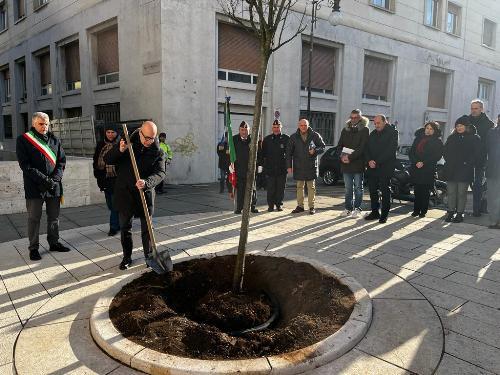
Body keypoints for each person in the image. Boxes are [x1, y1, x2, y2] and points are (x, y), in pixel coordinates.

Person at [105, 121, 166, 270]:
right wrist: (119, 150)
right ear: (140, 133)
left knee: (147, 230)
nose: (148, 141)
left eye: (152, 138)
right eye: (146, 138)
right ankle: (127, 257)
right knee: (125, 228)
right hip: (125, 194)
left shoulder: (158, 151)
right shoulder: (127, 143)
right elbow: (108, 159)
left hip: (145, 194)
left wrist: (147, 182)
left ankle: (149, 257)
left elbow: (160, 173)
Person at [16, 112, 70, 261]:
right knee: (34, 219)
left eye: (46, 124)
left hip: (54, 187)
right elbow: (25, 166)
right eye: (41, 124)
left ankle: (54, 242)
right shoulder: (23, 140)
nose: (45, 126)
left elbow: (61, 162)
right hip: (35, 188)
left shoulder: (54, 139)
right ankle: (33, 248)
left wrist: (55, 179)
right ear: (34, 124)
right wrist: (45, 181)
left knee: (54, 217)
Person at [442, 116, 480, 223]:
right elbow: (445, 151)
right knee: (451, 192)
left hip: (465, 169)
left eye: (461, 126)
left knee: (462, 193)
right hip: (451, 169)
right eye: (457, 126)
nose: (459, 128)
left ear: (466, 126)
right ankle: (450, 212)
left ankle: (459, 213)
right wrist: (449, 161)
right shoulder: (452, 137)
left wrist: (468, 162)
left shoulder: (474, 138)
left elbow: (477, 154)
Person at [286, 118, 325, 215]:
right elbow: (288, 153)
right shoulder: (293, 137)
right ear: (299, 126)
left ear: (308, 126)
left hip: (311, 165)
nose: (303, 127)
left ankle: (311, 207)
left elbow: (322, 147)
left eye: (305, 125)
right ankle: (300, 206)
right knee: (299, 186)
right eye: (301, 125)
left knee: (311, 187)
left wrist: (315, 151)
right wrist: (289, 166)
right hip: (298, 166)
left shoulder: (315, 135)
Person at [364, 114, 398, 224]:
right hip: (372, 167)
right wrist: (369, 161)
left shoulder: (393, 133)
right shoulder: (373, 134)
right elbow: (367, 149)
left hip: (385, 167)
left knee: (385, 191)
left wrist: (377, 162)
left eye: (378, 123)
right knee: (373, 191)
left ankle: (384, 215)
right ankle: (375, 212)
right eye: (375, 123)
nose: (376, 125)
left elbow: (391, 150)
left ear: (385, 122)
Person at [337, 109, 369, 218]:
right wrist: (342, 157)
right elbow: (339, 146)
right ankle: (348, 208)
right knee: (348, 188)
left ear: (360, 118)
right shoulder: (345, 130)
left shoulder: (365, 130)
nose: (354, 119)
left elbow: (362, 148)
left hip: (358, 163)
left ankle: (357, 208)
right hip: (346, 164)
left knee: (358, 188)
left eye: (356, 117)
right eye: (352, 117)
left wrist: (349, 157)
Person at [408, 122, 444, 218]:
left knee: (425, 191)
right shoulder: (418, 138)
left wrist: (423, 162)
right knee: (417, 191)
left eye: (431, 129)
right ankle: (416, 210)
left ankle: (423, 211)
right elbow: (411, 152)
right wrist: (416, 162)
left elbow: (436, 156)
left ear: (435, 131)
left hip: (428, 169)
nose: (428, 130)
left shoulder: (438, 142)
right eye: (427, 128)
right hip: (416, 168)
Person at [468, 100, 494, 217]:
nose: (473, 110)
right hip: (466, 159)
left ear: (481, 109)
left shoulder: (488, 124)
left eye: (476, 108)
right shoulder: (466, 121)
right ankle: (456, 210)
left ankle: (476, 210)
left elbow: (490, 143)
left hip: (480, 159)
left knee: (477, 184)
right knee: (464, 184)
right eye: (472, 108)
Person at [93, 125, 120, 236]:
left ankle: (113, 227)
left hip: (117, 179)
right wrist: (99, 178)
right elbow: (96, 161)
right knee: (110, 205)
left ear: (117, 133)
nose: (110, 134)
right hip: (105, 179)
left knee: (114, 205)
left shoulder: (121, 144)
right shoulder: (101, 144)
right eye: (108, 132)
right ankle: (120, 222)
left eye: (112, 132)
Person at [261, 119, 289, 212]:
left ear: (281, 128)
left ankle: (279, 205)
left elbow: (289, 154)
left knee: (280, 189)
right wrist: (263, 167)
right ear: (272, 128)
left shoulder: (286, 139)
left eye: (278, 127)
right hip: (270, 169)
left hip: (282, 169)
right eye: (274, 127)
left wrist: (289, 166)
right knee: (271, 189)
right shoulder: (267, 139)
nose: (276, 129)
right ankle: (270, 206)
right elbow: (263, 155)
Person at [233, 121, 258, 214]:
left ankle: (253, 207)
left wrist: (259, 166)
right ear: (239, 130)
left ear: (249, 130)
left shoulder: (253, 139)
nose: (244, 132)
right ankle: (239, 208)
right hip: (239, 169)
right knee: (240, 190)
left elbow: (259, 154)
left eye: (246, 130)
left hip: (251, 169)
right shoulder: (234, 139)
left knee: (252, 189)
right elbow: (229, 155)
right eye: (242, 130)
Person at [486, 121, 500, 229]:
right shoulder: (491, 132)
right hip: (492, 169)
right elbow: (486, 149)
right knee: (492, 196)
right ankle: (493, 220)